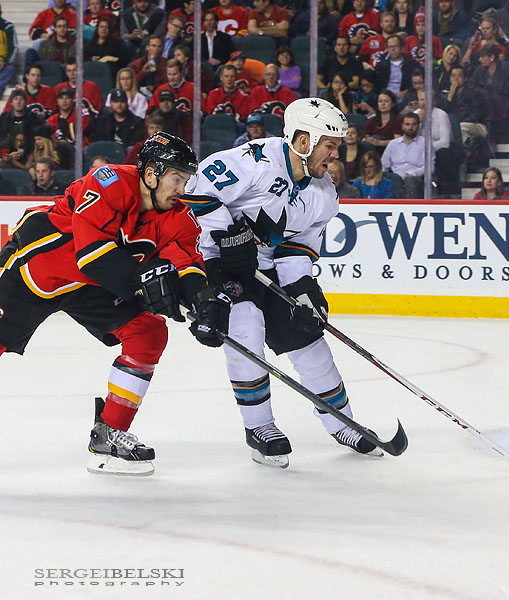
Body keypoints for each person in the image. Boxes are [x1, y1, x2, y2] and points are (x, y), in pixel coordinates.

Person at [0, 133, 230, 476]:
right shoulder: (109, 182)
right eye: (176, 178)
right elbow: (93, 255)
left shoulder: (177, 216)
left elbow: (187, 264)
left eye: (185, 180)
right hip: (38, 266)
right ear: (151, 174)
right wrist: (145, 284)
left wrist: (203, 300)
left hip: (91, 285)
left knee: (148, 333)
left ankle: (109, 432)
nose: (182, 188)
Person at [185, 97, 384, 466]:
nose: (335, 155)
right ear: (304, 141)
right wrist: (228, 238)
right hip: (217, 263)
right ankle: (259, 425)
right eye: (330, 144)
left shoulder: (324, 194)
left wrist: (304, 291)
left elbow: (297, 248)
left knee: (309, 341)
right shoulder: (255, 160)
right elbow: (197, 189)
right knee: (245, 328)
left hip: (266, 267)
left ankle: (341, 420)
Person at [381, 113, 425, 198]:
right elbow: (383, 167)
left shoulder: (425, 143)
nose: (410, 128)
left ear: (418, 126)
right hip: (395, 180)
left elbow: (429, 168)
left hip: (417, 179)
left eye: (414, 124)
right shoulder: (393, 144)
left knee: (410, 180)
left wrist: (410, 174)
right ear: (402, 126)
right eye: (407, 124)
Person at [0, 4, 16, 94]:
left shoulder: (8, 27)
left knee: (9, 69)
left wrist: (4, 62)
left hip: (3, 65)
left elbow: (13, 48)